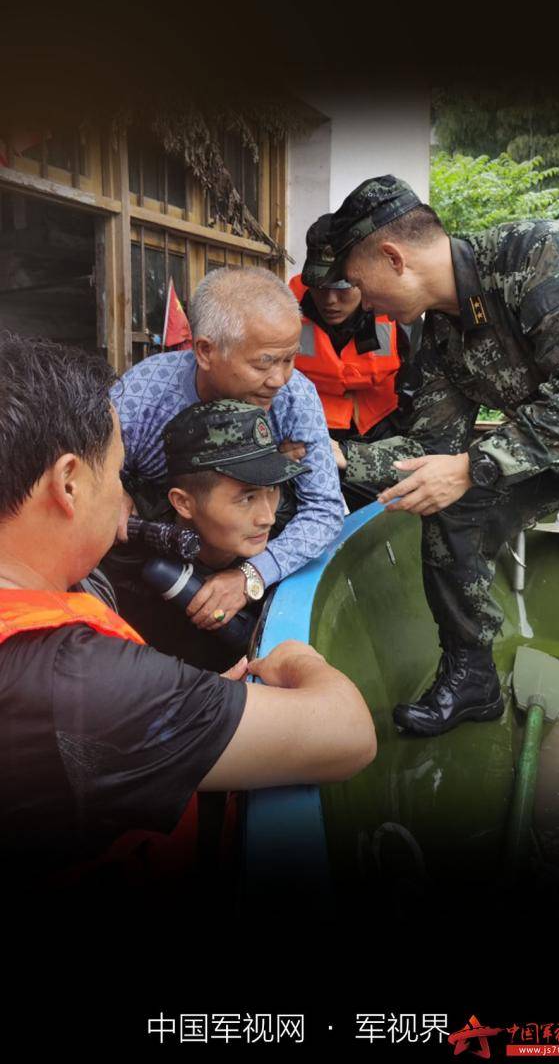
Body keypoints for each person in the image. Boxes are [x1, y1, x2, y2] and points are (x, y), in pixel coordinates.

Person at [0, 332, 376, 887]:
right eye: (118, 472)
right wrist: (294, 656)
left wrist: (186, 707)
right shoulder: (77, 680)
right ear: (70, 484)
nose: (124, 497)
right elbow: (348, 735)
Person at [322, 174, 559, 737]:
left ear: (393, 256)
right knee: (448, 504)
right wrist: (345, 458)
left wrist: (476, 466)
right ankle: (473, 677)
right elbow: (433, 450)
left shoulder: (538, 255)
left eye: (358, 282)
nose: (360, 301)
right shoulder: (440, 337)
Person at [112, 266, 345, 631]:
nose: (280, 379)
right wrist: (113, 489)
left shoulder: (295, 397)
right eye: (264, 363)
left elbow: (324, 509)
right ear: (205, 351)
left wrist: (252, 575)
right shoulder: (144, 394)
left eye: (290, 359)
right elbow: (84, 467)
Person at [119, 398, 310, 672]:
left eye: (273, 491)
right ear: (183, 503)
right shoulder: (131, 550)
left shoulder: (292, 527)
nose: (267, 517)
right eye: (247, 498)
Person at [290, 213, 412, 445]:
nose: (330, 300)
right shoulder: (282, 307)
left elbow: (417, 384)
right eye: (319, 287)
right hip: (308, 424)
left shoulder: (399, 311)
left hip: (381, 423)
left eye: (342, 287)